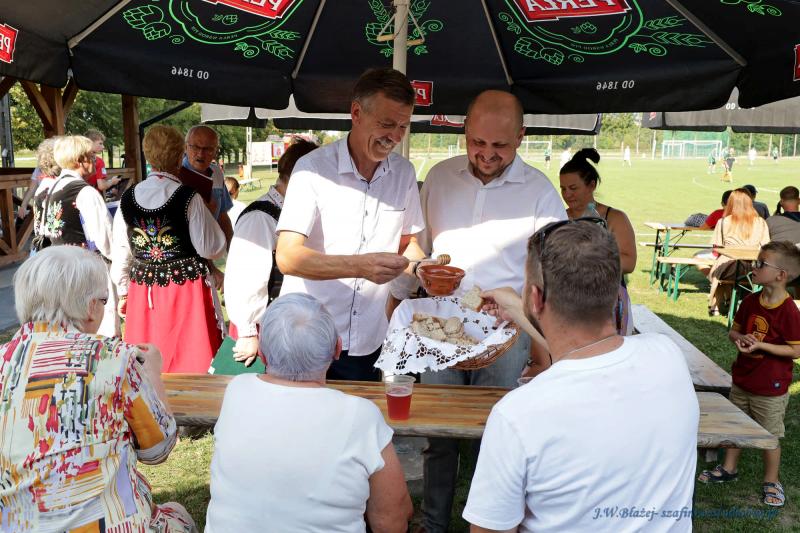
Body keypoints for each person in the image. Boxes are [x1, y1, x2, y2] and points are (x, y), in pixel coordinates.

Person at [463, 221, 698, 532]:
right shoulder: (668, 356)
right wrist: (519, 309)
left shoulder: (517, 415)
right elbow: (580, 353)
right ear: (614, 292)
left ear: (536, 297)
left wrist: (523, 309)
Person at [412, 90, 565, 533]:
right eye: (477, 142)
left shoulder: (539, 191)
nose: (486, 154)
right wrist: (423, 269)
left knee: (496, 436)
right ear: (465, 131)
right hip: (439, 326)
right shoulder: (439, 176)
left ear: (521, 137)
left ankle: (489, 524)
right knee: (439, 434)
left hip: (506, 334)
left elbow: (553, 271)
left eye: (500, 145)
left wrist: (540, 345)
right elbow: (417, 246)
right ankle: (435, 524)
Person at [0, 246, 195, 532]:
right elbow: (158, 450)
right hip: (109, 526)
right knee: (179, 515)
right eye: (104, 300)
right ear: (91, 307)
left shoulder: (4, 360)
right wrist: (153, 373)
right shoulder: (113, 358)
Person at [206, 293, 412, 532]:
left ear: (262, 353)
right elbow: (391, 520)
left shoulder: (237, 391)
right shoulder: (361, 416)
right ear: (337, 348)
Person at [275, 68, 425, 382]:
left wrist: (423, 268)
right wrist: (360, 266)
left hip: (367, 340)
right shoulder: (312, 169)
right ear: (356, 113)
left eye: (403, 126)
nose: (395, 137)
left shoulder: (404, 173)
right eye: (386, 124)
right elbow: (287, 257)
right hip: (306, 336)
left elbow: (407, 243)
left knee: (357, 415)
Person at [111, 125, 226, 372]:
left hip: (144, 291)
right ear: (179, 155)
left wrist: (123, 291)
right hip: (186, 290)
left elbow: (121, 250)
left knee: (146, 364)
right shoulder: (188, 197)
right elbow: (211, 247)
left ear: (148, 155)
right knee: (189, 358)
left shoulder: (128, 198)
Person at [698, 241, 800, 508]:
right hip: (743, 379)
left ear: (781, 275)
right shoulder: (750, 300)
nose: (754, 267)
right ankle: (729, 468)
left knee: (769, 434)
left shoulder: (789, 311)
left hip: (770, 388)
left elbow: (795, 350)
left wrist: (761, 346)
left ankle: (771, 480)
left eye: (761, 263)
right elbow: (734, 331)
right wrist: (741, 339)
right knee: (736, 426)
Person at [219, 138, 319, 371]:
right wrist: (248, 333)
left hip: (288, 326)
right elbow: (245, 279)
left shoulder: (290, 211)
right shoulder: (260, 217)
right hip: (264, 330)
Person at [34, 135, 118, 337]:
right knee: (100, 330)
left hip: (61, 271)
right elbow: (106, 239)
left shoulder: (52, 188)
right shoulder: (84, 192)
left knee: (71, 329)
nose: (96, 160)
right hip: (87, 271)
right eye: (92, 156)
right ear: (80, 160)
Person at [559, 148, 637, 335]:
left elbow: (629, 262)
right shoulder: (558, 216)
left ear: (591, 185)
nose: (567, 194)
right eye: (563, 188)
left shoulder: (615, 218)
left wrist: (589, 260)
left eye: (573, 188)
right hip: (567, 301)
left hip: (608, 302)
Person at [707, 189, 770, 316]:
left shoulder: (724, 221)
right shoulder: (761, 222)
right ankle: (736, 302)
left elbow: (718, 246)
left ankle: (718, 305)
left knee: (717, 270)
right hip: (752, 266)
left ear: (731, 203)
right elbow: (766, 246)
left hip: (728, 265)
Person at [17, 138, 60, 220]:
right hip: (43, 207)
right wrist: (23, 206)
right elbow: (31, 189)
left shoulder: (63, 169)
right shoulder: (38, 169)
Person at [84, 129, 123, 193]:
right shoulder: (99, 161)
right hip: (91, 195)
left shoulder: (75, 158)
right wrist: (112, 181)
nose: (103, 146)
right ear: (90, 143)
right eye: (100, 143)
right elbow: (102, 186)